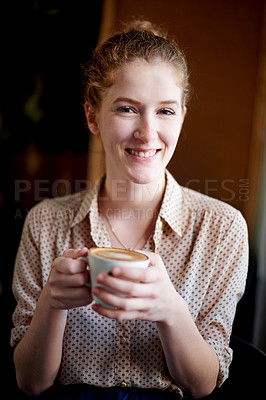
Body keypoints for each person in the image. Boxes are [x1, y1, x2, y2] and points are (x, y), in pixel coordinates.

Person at [11, 20, 248, 400]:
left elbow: (202, 385)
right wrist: (51, 305)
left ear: (183, 116)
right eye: (127, 109)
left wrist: (170, 309)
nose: (147, 132)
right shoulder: (45, 224)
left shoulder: (220, 228)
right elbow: (30, 382)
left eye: (166, 111)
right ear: (92, 116)